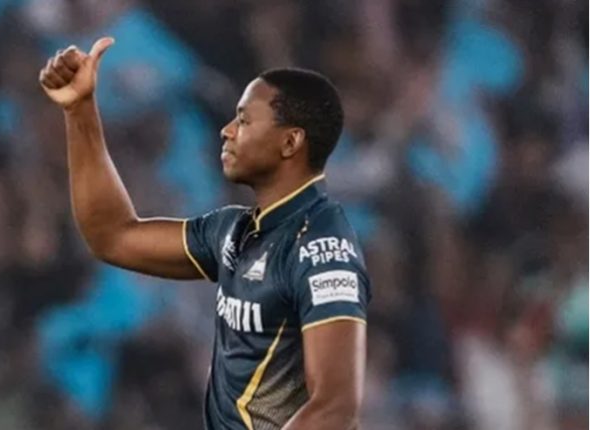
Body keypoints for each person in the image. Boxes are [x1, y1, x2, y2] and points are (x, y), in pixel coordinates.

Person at [38, 37, 370, 430]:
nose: (227, 131)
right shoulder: (233, 232)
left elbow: (334, 407)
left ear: (290, 141)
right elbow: (111, 236)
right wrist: (79, 110)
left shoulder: (322, 248)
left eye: (244, 121)